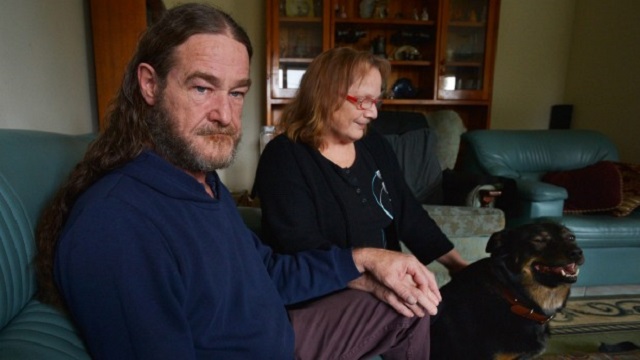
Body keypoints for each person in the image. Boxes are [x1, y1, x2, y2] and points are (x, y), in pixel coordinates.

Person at [34, 3, 440, 359]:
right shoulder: (116, 225)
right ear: (149, 84)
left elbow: (266, 271)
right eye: (202, 87)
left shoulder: (201, 182)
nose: (225, 115)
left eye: (236, 93)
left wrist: (366, 261)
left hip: (281, 331)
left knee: (407, 308)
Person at [254, 47, 468, 312]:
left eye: (376, 101)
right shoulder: (284, 156)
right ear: (325, 94)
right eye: (363, 100)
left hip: (381, 285)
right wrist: (372, 281)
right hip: (325, 293)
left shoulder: (373, 144)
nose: (373, 113)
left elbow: (407, 212)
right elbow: (298, 244)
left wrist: (459, 266)